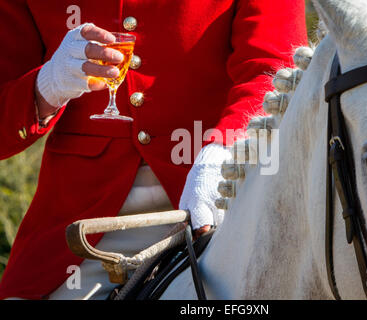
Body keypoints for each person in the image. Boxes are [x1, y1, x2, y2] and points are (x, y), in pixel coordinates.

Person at [0, 0, 307, 299]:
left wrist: (223, 152)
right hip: (84, 228)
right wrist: (47, 85)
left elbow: (275, 72)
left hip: (222, 200)